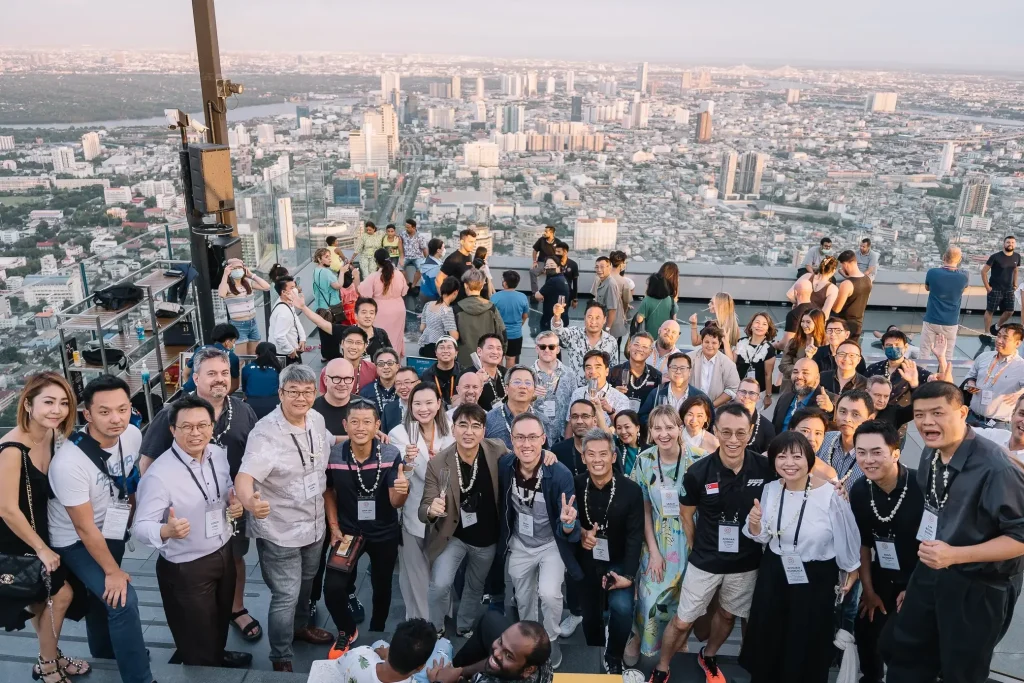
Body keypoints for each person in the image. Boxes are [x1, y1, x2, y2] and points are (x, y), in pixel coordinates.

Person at [881, 381, 1024, 683]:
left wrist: (956, 555)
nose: (927, 422)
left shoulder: (996, 467)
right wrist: (917, 579)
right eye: (919, 415)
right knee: (902, 650)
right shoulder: (931, 453)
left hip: (978, 586)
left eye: (937, 413)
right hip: (931, 573)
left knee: (961, 670)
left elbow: (1020, 537)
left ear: (962, 413)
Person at [138, 347, 262, 642]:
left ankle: (235, 608)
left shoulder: (242, 410)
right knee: (195, 574)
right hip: (187, 512)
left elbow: (255, 454)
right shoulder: (174, 413)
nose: (220, 379)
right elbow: (147, 462)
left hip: (230, 504)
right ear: (195, 378)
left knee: (234, 556)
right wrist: (161, 508)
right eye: (211, 373)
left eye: (225, 373)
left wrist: (246, 496)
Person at [648, 404, 773, 683]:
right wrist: (698, 547)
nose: (733, 439)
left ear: (751, 432)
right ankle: (663, 666)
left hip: (746, 562)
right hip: (705, 560)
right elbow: (686, 515)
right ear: (715, 431)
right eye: (725, 432)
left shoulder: (765, 468)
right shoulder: (698, 472)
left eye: (740, 432)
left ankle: (709, 655)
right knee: (683, 620)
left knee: (728, 615)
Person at [132, 395, 250, 668]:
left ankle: (218, 656)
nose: (196, 433)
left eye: (202, 425)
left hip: (223, 551)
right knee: (196, 632)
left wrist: (233, 502)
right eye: (186, 426)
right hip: (187, 565)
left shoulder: (217, 454)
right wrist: (165, 530)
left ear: (212, 426)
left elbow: (226, 489)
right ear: (173, 430)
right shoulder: (160, 474)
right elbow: (140, 526)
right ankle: (203, 669)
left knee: (220, 616)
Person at [47, 375, 151, 683]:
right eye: (104, 412)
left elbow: (128, 479)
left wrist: (131, 518)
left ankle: (106, 651)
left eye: (122, 409)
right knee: (122, 600)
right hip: (75, 540)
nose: (116, 418)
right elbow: (83, 526)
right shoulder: (69, 463)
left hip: (112, 529)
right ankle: (139, 677)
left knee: (100, 597)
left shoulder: (132, 434)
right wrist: (113, 571)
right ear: (87, 414)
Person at [234, 364, 335, 672]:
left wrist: (365, 436)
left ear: (315, 393)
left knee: (306, 584)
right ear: (280, 393)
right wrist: (251, 503)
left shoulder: (316, 419)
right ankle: (281, 656)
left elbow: (330, 442)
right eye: (293, 392)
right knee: (285, 595)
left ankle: (301, 627)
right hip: (280, 529)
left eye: (307, 392)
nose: (301, 398)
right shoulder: (266, 433)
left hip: (314, 524)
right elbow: (244, 477)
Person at [740, 431, 860, 683]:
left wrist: (851, 569)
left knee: (806, 639)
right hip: (775, 572)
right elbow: (763, 536)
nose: (789, 463)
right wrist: (754, 524)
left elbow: (846, 536)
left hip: (815, 577)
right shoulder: (771, 489)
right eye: (782, 457)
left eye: (797, 456)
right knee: (770, 636)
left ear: (809, 459)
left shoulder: (830, 494)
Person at [0, 373, 85, 683]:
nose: (57, 410)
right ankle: (48, 665)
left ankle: (52, 654)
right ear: (27, 404)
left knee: (43, 599)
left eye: (63, 403)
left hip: (41, 528)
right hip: (15, 535)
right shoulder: (11, 449)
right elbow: (6, 509)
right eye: (48, 402)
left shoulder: (52, 435)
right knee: (60, 596)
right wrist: (41, 548)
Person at [323, 400, 407, 658]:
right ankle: (347, 630)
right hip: (348, 532)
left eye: (367, 422)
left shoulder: (390, 454)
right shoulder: (334, 455)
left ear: (377, 425)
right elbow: (328, 490)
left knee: (382, 586)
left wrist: (403, 491)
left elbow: (395, 502)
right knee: (333, 586)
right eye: (355, 422)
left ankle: (377, 631)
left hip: (384, 533)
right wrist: (334, 526)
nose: (360, 427)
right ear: (345, 425)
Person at [499, 414, 581, 669]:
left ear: (543, 439)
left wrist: (568, 523)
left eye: (533, 437)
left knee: (549, 593)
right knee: (522, 596)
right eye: (520, 437)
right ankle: (530, 638)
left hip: (550, 544)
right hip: (520, 542)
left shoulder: (559, 474)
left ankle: (551, 637)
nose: (526, 444)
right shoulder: (505, 465)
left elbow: (570, 525)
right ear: (511, 440)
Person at [848, 420, 923, 683]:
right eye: (861, 452)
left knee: (903, 646)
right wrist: (868, 590)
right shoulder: (860, 490)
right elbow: (863, 544)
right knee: (866, 629)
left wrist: (915, 588)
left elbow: (937, 542)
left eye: (876, 452)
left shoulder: (921, 485)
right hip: (882, 575)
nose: (868, 460)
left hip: (921, 578)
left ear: (895, 453)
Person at [625, 406, 700, 662]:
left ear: (680, 428)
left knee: (686, 599)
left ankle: (680, 639)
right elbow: (644, 510)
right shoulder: (644, 460)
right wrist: (654, 552)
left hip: (691, 538)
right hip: (657, 536)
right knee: (650, 597)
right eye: (657, 428)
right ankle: (639, 637)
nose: (664, 433)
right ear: (650, 431)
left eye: (669, 427)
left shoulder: (699, 459)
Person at [421, 404, 502, 637]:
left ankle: (464, 625)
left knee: (475, 586)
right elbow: (424, 508)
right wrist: (432, 510)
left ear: (483, 431)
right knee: (440, 585)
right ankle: (435, 628)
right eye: (463, 425)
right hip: (453, 535)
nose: (469, 432)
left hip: (487, 538)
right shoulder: (439, 463)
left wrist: (547, 454)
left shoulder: (497, 450)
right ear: (453, 428)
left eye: (476, 426)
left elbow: (525, 456)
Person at [571, 428, 644, 674]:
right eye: (591, 454)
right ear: (583, 457)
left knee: (622, 609)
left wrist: (629, 576)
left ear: (613, 457)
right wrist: (581, 533)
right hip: (586, 561)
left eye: (603, 454)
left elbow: (635, 536)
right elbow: (568, 522)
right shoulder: (575, 484)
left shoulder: (631, 490)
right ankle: (595, 653)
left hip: (619, 561)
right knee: (590, 616)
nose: (597, 460)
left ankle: (614, 655)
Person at [427, 615, 553, 683]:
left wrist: (437, 682)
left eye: (509, 655)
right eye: (500, 641)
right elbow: (497, 658)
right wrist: (460, 671)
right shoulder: (540, 659)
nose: (496, 652)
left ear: (528, 670)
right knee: (490, 620)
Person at [332, 618, 450, 683]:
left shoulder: (360, 653)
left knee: (379, 643)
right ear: (420, 667)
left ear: (391, 647)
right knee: (444, 644)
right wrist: (435, 681)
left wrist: (381, 655)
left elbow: (339, 666)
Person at [865, 330, 949, 416]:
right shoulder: (873, 368)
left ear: (906, 347)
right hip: (870, 416)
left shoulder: (914, 370)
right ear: (883, 348)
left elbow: (944, 384)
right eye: (889, 345)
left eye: (897, 345)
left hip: (898, 419)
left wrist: (941, 358)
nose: (893, 348)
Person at [962, 322, 1024, 428]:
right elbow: (971, 374)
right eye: (998, 336)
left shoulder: (1021, 366)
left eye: (1005, 338)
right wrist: (971, 382)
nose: (999, 341)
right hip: (972, 417)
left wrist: (1020, 394)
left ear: (1017, 343)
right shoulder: (984, 357)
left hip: (998, 424)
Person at [816, 389, 876, 493]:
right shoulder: (824, 439)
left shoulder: (875, 456)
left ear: (870, 419)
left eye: (855, 414)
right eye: (843, 412)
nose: (847, 419)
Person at [549, 300, 619, 381]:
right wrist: (557, 316)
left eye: (597, 318)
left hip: (600, 387)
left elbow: (613, 369)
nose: (593, 321)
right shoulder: (574, 334)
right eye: (590, 317)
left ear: (604, 319)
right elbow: (558, 331)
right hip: (575, 387)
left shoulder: (611, 341)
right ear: (584, 317)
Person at [358, 248, 409, 357]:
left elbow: (363, 293)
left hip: (381, 310)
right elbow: (404, 292)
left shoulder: (373, 277)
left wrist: (356, 277)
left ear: (376, 261)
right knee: (396, 336)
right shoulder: (399, 274)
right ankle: (395, 360)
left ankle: (381, 359)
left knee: (380, 337)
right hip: (398, 308)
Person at [638, 352, 710, 426]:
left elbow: (710, 421)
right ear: (668, 370)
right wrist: (658, 424)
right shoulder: (656, 393)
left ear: (689, 371)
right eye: (674, 367)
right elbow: (642, 417)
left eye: (682, 368)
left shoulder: (699, 396)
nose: (678, 371)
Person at [218, 257, 272, 355]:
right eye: (234, 268)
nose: (238, 270)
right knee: (241, 358)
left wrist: (252, 275)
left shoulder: (248, 282)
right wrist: (225, 275)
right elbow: (221, 294)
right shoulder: (227, 286)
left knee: (254, 355)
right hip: (239, 325)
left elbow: (267, 286)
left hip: (252, 322)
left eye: (240, 267)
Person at [922, 246, 968, 361]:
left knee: (924, 352)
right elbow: (962, 290)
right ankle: (944, 372)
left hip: (931, 319)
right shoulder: (964, 276)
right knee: (947, 355)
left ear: (944, 257)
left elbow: (927, 288)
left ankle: (922, 372)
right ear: (960, 259)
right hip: (951, 322)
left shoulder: (932, 272)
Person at [455, 268, 506, 369]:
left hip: (463, 359)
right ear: (482, 286)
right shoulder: (491, 308)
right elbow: (502, 332)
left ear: (465, 285)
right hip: (487, 359)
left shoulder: (457, 309)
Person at [532, 331, 575, 447]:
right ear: (537, 349)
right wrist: (530, 396)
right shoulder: (527, 374)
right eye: (543, 347)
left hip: (563, 435)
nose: (547, 350)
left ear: (558, 349)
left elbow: (574, 405)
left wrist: (569, 436)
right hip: (536, 437)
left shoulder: (569, 374)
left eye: (551, 347)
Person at [566, 351, 632, 426]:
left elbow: (623, 427)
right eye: (588, 367)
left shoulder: (620, 398)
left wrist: (610, 410)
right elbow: (570, 424)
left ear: (607, 371)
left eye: (598, 367)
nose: (593, 371)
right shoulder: (577, 393)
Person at [486, 366, 539, 450]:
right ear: (506, 388)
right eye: (517, 382)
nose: (523, 386)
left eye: (528, 383)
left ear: (534, 390)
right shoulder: (489, 420)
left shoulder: (543, 421)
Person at [687, 325, 740, 408]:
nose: (710, 345)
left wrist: (711, 406)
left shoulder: (728, 364)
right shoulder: (688, 359)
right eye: (706, 342)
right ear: (702, 342)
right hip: (690, 407)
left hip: (716, 410)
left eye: (714, 343)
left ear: (719, 344)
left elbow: (732, 389)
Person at [772, 358, 830, 434]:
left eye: (805, 373)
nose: (799, 376)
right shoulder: (784, 399)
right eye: (795, 372)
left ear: (817, 377)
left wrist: (830, 410)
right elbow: (773, 430)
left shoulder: (826, 403)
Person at [609, 332, 662, 412]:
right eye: (636, 345)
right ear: (629, 347)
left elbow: (658, 406)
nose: (639, 349)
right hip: (618, 417)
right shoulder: (613, 372)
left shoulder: (656, 376)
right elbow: (602, 398)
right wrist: (613, 393)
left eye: (644, 347)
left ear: (650, 352)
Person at [181, 323, 241, 393]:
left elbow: (185, 373)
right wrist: (221, 396)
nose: (234, 345)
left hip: (188, 393)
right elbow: (234, 386)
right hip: (212, 395)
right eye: (234, 341)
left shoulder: (200, 349)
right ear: (227, 342)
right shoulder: (231, 357)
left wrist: (193, 389)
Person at [734, 312, 777, 408]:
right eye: (757, 322)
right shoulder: (741, 342)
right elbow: (732, 364)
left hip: (757, 393)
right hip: (738, 390)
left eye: (764, 324)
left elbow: (768, 374)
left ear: (768, 329)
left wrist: (768, 396)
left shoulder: (769, 349)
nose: (760, 326)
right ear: (751, 325)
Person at [983, 235, 1022, 337]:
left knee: (1010, 311)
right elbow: (983, 272)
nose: (1010, 244)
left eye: (1012, 242)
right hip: (995, 289)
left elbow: (1015, 270)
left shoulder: (1017, 256)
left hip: (1009, 289)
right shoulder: (995, 257)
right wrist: (987, 287)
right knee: (990, 311)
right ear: (1004, 244)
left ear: (1015, 244)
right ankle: (987, 332)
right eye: (1008, 242)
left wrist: (1015, 284)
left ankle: (997, 326)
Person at [779, 308, 825, 392]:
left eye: (808, 322)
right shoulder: (794, 342)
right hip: (791, 388)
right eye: (802, 321)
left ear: (818, 323)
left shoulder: (824, 344)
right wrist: (798, 371)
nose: (804, 325)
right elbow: (783, 366)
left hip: (815, 389)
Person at [491, 271, 530, 367]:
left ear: (505, 283)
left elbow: (491, 316)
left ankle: (499, 376)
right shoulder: (523, 297)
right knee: (511, 359)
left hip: (499, 334)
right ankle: (509, 376)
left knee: (498, 357)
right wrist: (519, 325)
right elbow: (525, 316)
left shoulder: (495, 297)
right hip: (515, 334)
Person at [832, 249, 873, 338]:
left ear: (845, 264)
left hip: (844, 326)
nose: (842, 269)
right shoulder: (868, 280)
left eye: (842, 266)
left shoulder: (847, 284)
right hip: (858, 324)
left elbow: (836, 309)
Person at [269, 276, 308, 366]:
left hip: (291, 348)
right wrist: (290, 350)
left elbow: (296, 319)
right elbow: (279, 336)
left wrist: (302, 337)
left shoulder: (287, 302)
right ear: (283, 292)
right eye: (292, 288)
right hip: (286, 354)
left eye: (295, 286)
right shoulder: (283, 312)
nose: (296, 290)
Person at [689, 293, 741, 357]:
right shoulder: (735, 327)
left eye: (712, 303)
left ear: (720, 306)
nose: (709, 304)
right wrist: (694, 324)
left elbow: (695, 342)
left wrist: (693, 325)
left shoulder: (712, 326)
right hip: (726, 359)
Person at [419, 277, 460, 357]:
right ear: (455, 292)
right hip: (439, 350)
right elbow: (454, 336)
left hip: (425, 348)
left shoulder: (428, 304)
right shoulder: (446, 310)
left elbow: (422, 328)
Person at [633, 267, 678, 338]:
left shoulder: (647, 300)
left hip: (650, 336)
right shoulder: (670, 299)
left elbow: (639, 319)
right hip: (665, 336)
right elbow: (674, 319)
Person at [592, 256, 627, 348]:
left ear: (609, 267)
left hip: (611, 329)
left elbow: (612, 309)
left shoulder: (610, 284)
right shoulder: (601, 281)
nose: (599, 270)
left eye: (602, 267)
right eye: (597, 267)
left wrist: (607, 329)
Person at [242, 341, 282, 419]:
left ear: (257, 354)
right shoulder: (277, 368)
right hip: (274, 404)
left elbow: (244, 389)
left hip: (252, 405)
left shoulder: (247, 368)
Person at [736, 377, 776, 453]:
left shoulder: (767, 427)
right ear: (737, 393)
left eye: (752, 393)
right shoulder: (723, 420)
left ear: (758, 398)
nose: (746, 396)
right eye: (743, 391)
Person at [777, 277, 814, 356]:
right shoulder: (818, 311)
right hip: (814, 352)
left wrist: (774, 345)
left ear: (796, 292)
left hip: (799, 355)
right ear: (811, 291)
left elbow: (786, 344)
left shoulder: (794, 314)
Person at [422, 336, 462, 406]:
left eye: (449, 347)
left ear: (456, 352)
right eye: (441, 348)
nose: (445, 351)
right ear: (436, 352)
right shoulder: (426, 375)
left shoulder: (463, 374)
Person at [360, 348, 401, 417]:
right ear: (376, 367)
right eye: (381, 364)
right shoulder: (366, 392)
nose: (385, 367)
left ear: (398, 366)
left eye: (390, 363)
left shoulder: (404, 389)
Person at [439, 228, 477, 301]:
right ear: (462, 242)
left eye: (474, 242)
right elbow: (439, 279)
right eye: (471, 242)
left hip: (465, 300)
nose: (474, 244)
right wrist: (444, 300)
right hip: (455, 301)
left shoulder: (469, 256)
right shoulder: (453, 259)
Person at [473, 334, 508, 411]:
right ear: (479, 351)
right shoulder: (468, 375)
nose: (495, 352)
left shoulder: (507, 373)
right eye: (490, 348)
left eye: (499, 348)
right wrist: (476, 384)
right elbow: (456, 404)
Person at [354, 296, 396, 360]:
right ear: (356, 315)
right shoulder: (348, 334)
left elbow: (391, 357)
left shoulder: (381, 334)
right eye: (364, 312)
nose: (368, 316)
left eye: (371, 313)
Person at [535, 258, 570, 331]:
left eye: (552, 265)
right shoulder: (563, 279)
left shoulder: (553, 280)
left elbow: (537, 295)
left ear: (559, 267)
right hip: (563, 318)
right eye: (547, 266)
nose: (549, 268)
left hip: (552, 320)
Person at [530, 226, 561, 294]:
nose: (544, 233)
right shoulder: (541, 240)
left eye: (546, 232)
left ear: (551, 233)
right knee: (532, 272)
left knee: (553, 274)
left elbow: (560, 255)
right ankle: (535, 293)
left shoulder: (558, 242)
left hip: (552, 263)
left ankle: (549, 293)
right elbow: (535, 251)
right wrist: (534, 261)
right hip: (541, 262)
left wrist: (557, 265)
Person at [313, 247, 346, 312]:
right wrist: (342, 272)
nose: (329, 258)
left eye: (330, 256)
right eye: (326, 257)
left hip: (319, 305)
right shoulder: (326, 272)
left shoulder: (315, 270)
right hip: (331, 306)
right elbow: (338, 286)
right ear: (319, 259)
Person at [613, 411, 644, 477]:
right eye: (619, 428)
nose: (623, 432)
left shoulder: (650, 451)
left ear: (637, 428)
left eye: (627, 427)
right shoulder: (615, 446)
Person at [402, 219, 430, 291]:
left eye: (408, 227)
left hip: (417, 257)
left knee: (420, 269)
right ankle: (408, 283)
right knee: (400, 268)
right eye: (406, 227)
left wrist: (427, 260)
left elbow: (424, 248)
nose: (406, 229)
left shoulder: (420, 236)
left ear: (414, 227)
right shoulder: (403, 234)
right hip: (406, 256)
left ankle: (413, 285)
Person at [554, 243, 580, 310]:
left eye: (558, 252)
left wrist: (575, 299)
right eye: (556, 251)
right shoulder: (554, 263)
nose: (556, 253)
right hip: (554, 293)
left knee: (564, 312)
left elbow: (575, 283)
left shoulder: (573, 265)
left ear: (565, 252)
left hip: (566, 294)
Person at [419, 238, 446, 305]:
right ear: (438, 250)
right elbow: (436, 287)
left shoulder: (425, 261)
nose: (444, 250)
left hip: (423, 293)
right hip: (432, 298)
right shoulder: (435, 267)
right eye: (443, 247)